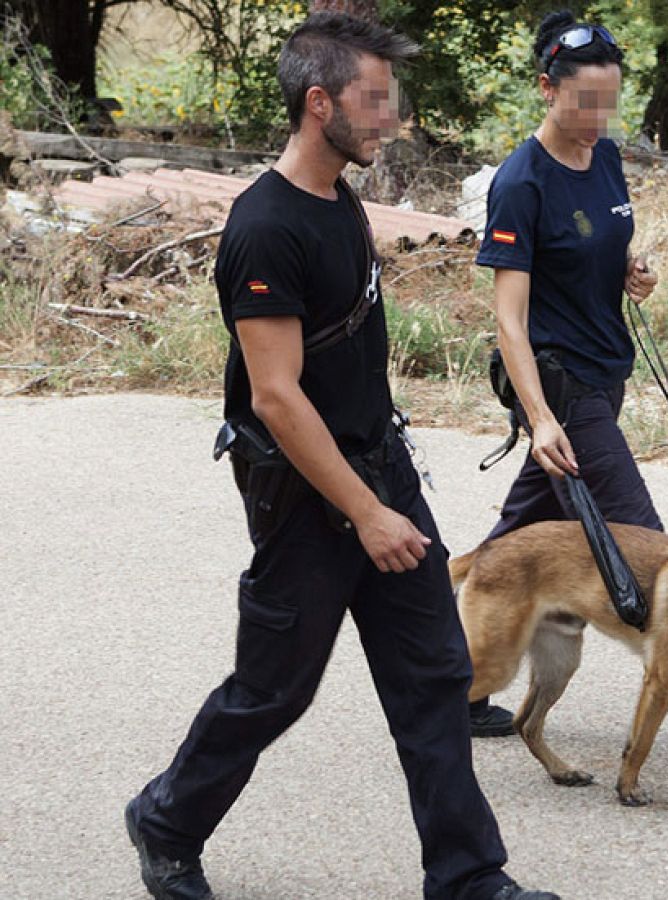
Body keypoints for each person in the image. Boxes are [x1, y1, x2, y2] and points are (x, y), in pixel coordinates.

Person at [124, 13, 555, 900]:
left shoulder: (342, 202)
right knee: (274, 689)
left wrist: (385, 487)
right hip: (313, 501)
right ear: (319, 104)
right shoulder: (264, 226)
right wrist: (365, 512)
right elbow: (276, 395)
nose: (389, 119)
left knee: (434, 675)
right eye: (373, 101)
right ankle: (166, 819)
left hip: (379, 471)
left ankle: (469, 876)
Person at [468, 9, 668, 781]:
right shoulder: (521, 181)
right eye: (582, 103)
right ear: (546, 89)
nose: (596, 119)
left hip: (605, 377)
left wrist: (630, 272)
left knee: (521, 539)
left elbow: (598, 251)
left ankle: (436, 673)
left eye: (607, 103)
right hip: (559, 384)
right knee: (640, 547)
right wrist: (540, 417)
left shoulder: (604, 158)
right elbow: (509, 318)